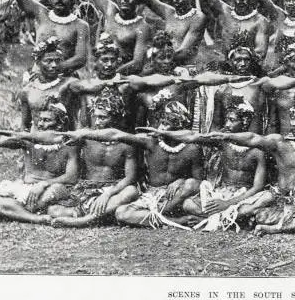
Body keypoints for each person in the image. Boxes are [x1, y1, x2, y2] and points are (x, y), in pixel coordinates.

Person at [209, 90, 295, 235]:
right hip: (280, 199)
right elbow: (253, 138)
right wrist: (228, 136)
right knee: (255, 206)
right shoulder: (279, 142)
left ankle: (274, 228)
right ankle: (290, 223)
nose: (294, 123)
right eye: (292, 118)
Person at [68, 98, 204, 229]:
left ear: (179, 127)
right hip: (152, 195)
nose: (161, 128)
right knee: (121, 213)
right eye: (161, 122)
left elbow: (198, 181)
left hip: (175, 197)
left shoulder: (192, 149)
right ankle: (175, 220)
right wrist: (84, 135)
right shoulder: (150, 142)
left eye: (167, 124)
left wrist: (180, 180)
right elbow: (117, 135)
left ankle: (156, 215)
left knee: (190, 184)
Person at [143, 97, 268, 231]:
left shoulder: (257, 151)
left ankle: (212, 218)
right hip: (222, 192)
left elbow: (257, 187)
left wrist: (227, 204)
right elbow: (193, 136)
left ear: (244, 122)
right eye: (227, 119)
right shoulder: (222, 141)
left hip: (244, 196)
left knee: (267, 198)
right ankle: (227, 218)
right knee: (187, 204)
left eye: (232, 120)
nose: (227, 124)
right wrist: (163, 132)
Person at [0, 96, 78, 224]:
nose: (41, 124)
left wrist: (44, 184)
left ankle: (10, 210)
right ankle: (34, 218)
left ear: (60, 124)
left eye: (47, 120)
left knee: (54, 191)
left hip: (51, 188)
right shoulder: (28, 141)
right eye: (40, 120)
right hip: (24, 189)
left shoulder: (69, 145)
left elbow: (71, 177)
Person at [47, 89, 140, 227]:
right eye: (95, 117)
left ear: (116, 117)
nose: (97, 121)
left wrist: (107, 194)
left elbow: (130, 177)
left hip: (113, 188)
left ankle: (83, 220)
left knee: (131, 191)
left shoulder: (126, 142)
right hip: (87, 188)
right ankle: (101, 215)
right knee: (53, 210)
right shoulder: (86, 135)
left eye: (103, 117)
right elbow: (59, 137)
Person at [189, 0, 270, 63]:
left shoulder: (260, 21)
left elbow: (260, 54)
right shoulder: (225, 11)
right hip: (224, 67)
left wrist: (238, 60)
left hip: (249, 69)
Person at [137, 0, 207, 66]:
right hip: (164, 62)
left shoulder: (198, 18)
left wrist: (154, 56)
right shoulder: (170, 12)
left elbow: (183, 52)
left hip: (184, 67)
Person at [19, 37, 79, 131]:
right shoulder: (27, 90)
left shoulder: (70, 84)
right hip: (37, 140)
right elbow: (24, 125)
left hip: (64, 140)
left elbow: (77, 120)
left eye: (57, 61)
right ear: (38, 63)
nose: (54, 65)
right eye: (48, 61)